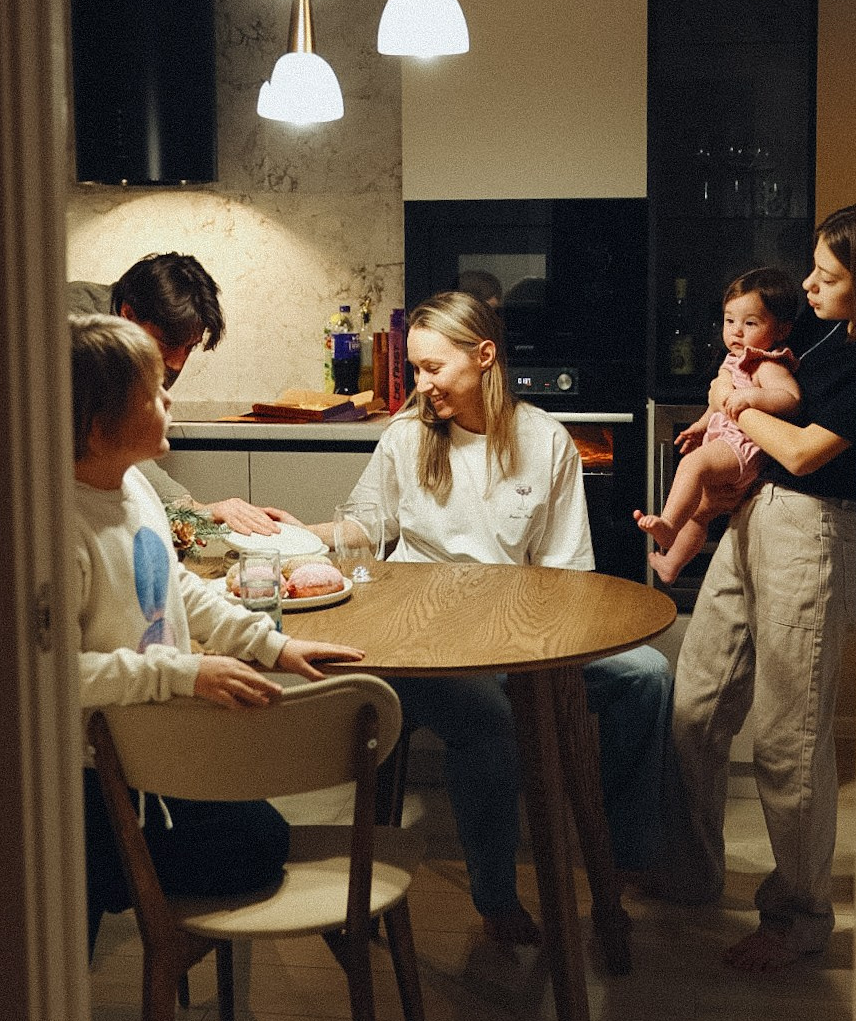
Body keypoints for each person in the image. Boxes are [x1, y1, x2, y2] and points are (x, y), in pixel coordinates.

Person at [282, 292, 673, 947]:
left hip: (516, 632)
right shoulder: (406, 437)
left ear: (484, 356)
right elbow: (365, 527)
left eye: (433, 368)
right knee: (491, 724)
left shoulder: (545, 441)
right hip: (422, 644)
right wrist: (299, 534)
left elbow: (566, 572)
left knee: (647, 675)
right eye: (415, 368)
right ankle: (496, 899)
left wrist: (537, 644)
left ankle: (622, 856)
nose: (420, 384)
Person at [71, 313, 364, 957]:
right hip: (99, 775)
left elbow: (179, 587)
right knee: (250, 846)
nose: (170, 400)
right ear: (97, 427)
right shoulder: (62, 528)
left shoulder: (134, 488)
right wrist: (185, 674)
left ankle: (118, 883)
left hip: (162, 749)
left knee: (261, 839)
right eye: (153, 393)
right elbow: (57, 675)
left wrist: (271, 644)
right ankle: (109, 878)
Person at [668, 204, 856, 973]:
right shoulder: (821, 332)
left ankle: (797, 916)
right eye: (812, 269)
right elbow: (750, 394)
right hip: (757, 513)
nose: (808, 285)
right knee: (695, 706)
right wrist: (728, 424)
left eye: (827, 275)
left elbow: (808, 452)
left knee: (788, 739)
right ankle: (692, 874)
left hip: (813, 534)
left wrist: (731, 406)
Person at [68, 252, 287, 535]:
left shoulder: (138, 344)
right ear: (128, 314)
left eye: (189, 347)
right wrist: (192, 508)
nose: (177, 363)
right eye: (169, 343)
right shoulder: (80, 332)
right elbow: (120, 438)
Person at [634, 266, 801, 584]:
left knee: (692, 465)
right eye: (729, 321)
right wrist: (701, 425)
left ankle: (668, 524)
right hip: (727, 442)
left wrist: (752, 397)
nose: (736, 331)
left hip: (743, 448)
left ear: (781, 329)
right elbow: (717, 405)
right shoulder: (735, 359)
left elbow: (791, 398)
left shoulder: (765, 363)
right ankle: (672, 564)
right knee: (699, 512)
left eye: (750, 323)